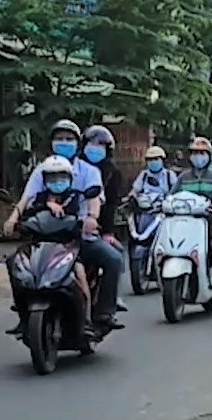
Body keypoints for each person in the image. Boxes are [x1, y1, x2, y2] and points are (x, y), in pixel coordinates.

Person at [4, 119, 123, 332]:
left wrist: (92, 218)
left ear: (77, 143)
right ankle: (24, 312)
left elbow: (95, 198)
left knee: (113, 259)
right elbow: (27, 198)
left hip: (78, 237)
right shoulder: (42, 169)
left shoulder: (88, 171)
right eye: (59, 139)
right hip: (45, 236)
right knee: (16, 262)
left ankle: (104, 312)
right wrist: (13, 219)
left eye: (69, 139)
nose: (64, 142)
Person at [17, 155, 94, 327]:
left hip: (68, 248)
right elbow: (28, 216)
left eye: (61, 177)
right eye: (52, 177)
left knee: (80, 275)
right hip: (40, 248)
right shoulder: (39, 198)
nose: (57, 181)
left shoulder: (76, 197)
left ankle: (86, 320)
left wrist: (88, 222)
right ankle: (23, 314)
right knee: (18, 268)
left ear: (69, 178)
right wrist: (46, 205)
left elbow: (82, 217)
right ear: (45, 179)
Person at [81, 125, 128, 313]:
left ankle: (108, 304)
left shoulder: (111, 173)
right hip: (65, 226)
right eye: (91, 143)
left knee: (115, 255)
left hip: (95, 228)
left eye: (100, 144)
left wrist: (107, 232)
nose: (95, 147)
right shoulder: (73, 167)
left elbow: (109, 205)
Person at [168, 136, 212, 270]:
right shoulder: (183, 177)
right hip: (184, 220)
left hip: (207, 219)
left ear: (208, 156)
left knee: (208, 242)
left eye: (202, 153)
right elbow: (171, 196)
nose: (198, 156)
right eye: (195, 153)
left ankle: (209, 268)